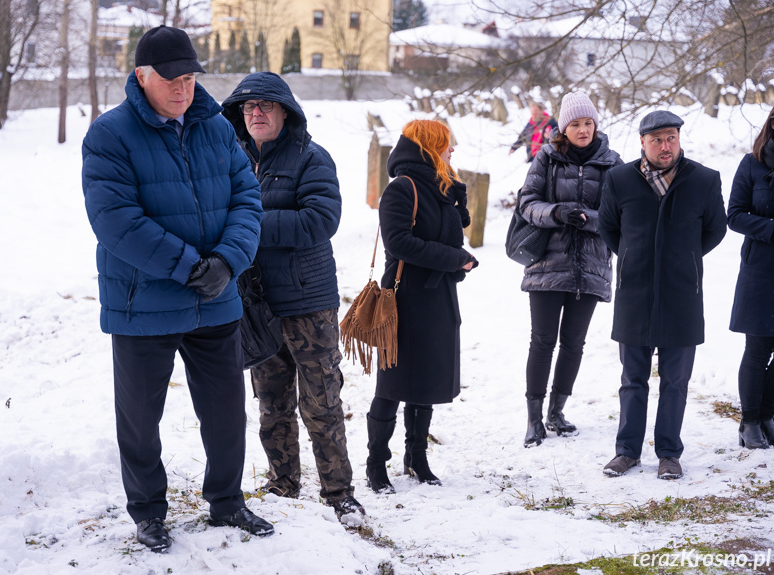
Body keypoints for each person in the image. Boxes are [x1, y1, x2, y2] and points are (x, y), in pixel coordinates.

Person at [81, 25, 272, 552]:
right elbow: (115, 220)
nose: (182, 89)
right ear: (141, 76)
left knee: (227, 410)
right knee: (140, 418)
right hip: (144, 302)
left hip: (216, 299)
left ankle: (228, 502)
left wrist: (228, 261)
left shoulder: (214, 127)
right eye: (170, 79)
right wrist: (191, 267)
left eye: (189, 77)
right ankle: (147, 512)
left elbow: (246, 198)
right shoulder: (110, 135)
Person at [220, 72, 364, 520]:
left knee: (322, 403)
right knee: (270, 404)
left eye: (264, 106)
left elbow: (319, 222)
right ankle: (284, 484)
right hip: (256, 305)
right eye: (248, 108)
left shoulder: (312, 159)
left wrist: (248, 223)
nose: (256, 114)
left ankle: (340, 494)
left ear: (285, 111)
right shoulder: (234, 160)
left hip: (307, 303)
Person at [598, 110, 727, 479]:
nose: (665, 146)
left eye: (671, 137)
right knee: (632, 379)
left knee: (675, 381)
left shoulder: (703, 179)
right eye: (657, 139)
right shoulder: (619, 179)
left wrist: (682, 257)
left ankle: (669, 453)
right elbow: (608, 227)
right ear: (642, 142)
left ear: (679, 138)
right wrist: (636, 256)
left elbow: (715, 230)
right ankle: (627, 452)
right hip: (634, 294)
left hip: (682, 294)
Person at [365, 119, 478, 494]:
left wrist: (457, 194)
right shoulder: (402, 187)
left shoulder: (440, 186)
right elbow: (400, 244)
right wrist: (454, 258)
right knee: (392, 384)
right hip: (405, 298)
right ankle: (375, 464)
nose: (452, 150)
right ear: (429, 145)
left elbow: (452, 230)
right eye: (446, 144)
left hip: (439, 297)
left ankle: (416, 457)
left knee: (427, 380)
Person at [517, 91, 623, 448]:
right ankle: (534, 419)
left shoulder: (613, 163)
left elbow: (619, 215)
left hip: (590, 267)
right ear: (564, 127)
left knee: (574, 343)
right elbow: (526, 204)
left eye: (588, 123)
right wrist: (557, 213)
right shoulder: (546, 158)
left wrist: (589, 219)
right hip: (547, 265)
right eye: (575, 124)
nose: (582, 129)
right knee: (542, 342)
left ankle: (556, 412)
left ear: (596, 125)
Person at [727, 101, 774, 449]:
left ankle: (765, 414)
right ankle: (749, 422)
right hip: (762, 268)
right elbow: (734, 215)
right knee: (758, 347)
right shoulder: (753, 164)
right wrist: (773, 227)